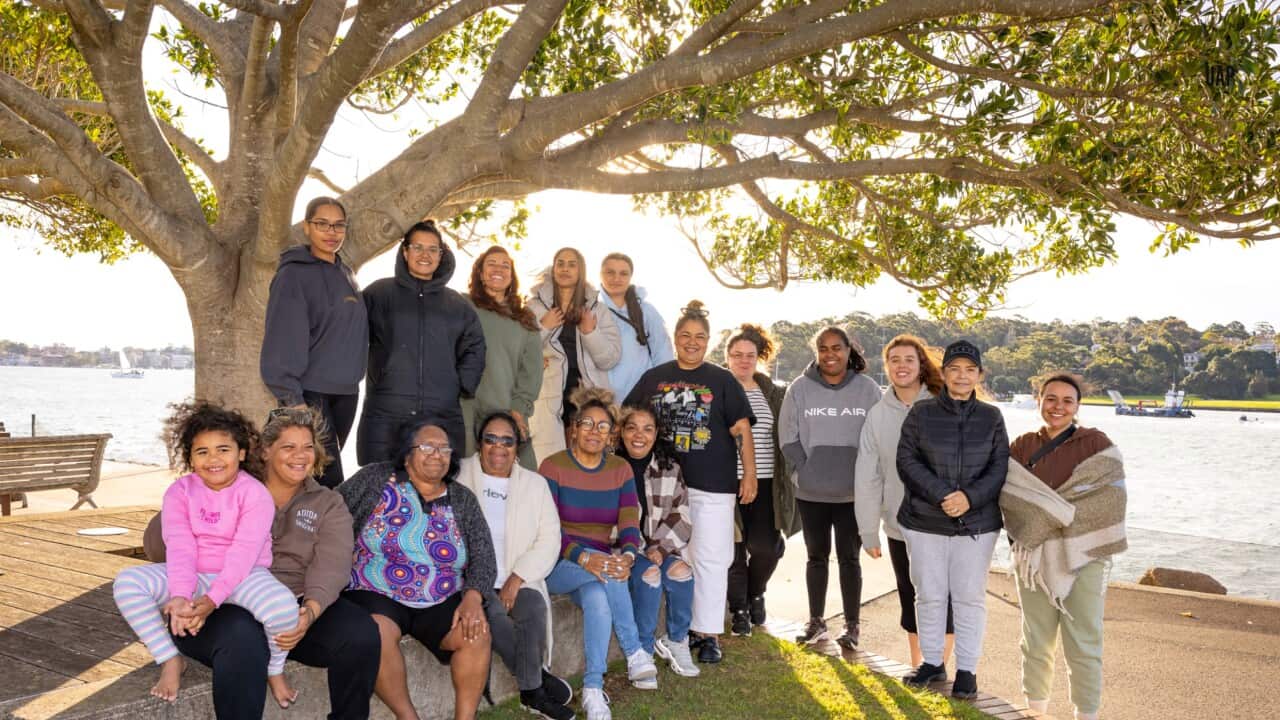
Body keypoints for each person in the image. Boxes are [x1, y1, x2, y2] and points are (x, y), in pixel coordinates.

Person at [142, 407, 381, 720]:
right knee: (244, 644)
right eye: (288, 447)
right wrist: (189, 505)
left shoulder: (326, 502)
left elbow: (333, 565)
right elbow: (162, 546)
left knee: (361, 633)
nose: (300, 456)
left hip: (292, 605)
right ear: (265, 450)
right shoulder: (227, 486)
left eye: (308, 447)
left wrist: (309, 613)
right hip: (220, 602)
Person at [113, 402, 300, 707]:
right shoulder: (179, 492)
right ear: (189, 458)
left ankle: (274, 669)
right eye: (202, 452)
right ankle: (170, 658)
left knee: (284, 609)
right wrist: (179, 596)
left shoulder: (255, 494)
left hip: (244, 575)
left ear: (241, 452)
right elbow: (180, 547)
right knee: (128, 582)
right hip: (194, 574)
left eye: (223, 449)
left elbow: (242, 554)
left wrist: (212, 600)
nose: (213, 459)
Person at [624, 300, 756, 664]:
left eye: (700, 337)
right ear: (676, 338)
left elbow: (741, 428)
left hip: (712, 484)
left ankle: (708, 633)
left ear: (709, 341)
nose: (692, 342)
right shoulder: (655, 377)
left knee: (712, 558)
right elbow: (627, 418)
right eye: (685, 335)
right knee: (676, 557)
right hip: (662, 486)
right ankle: (677, 632)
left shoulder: (723, 379)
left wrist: (749, 474)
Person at [338, 422, 495, 720]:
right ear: (406, 453)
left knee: (476, 633)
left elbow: (484, 556)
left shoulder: (462, 499)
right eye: (426, 447)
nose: (437, 454)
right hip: (376, 589)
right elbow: (331, 511)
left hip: (441, 595)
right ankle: (408, 716)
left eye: (444, 448)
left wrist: (473, 597)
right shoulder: (376, 479)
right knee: (376, 632)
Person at [1002, 374, 1128, 720]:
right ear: (1039, 400)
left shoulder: (1096, 443)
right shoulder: (1022, 446)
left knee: (1084, 640)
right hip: (1033, 556)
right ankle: (1035, 711)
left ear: (1077, 406)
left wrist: (1050, 515)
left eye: (1067, 401)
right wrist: (1048, 518)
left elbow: (1111, 499)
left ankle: (1085, 714)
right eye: (1051, 398)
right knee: (1035, 638)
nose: (1058, 407)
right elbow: (1010, 499)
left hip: (1085, 554)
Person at [897, 340, 1009, 700]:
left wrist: (969, 498)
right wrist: (943, 495)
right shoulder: (920, 413)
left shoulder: (992, 417)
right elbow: (907, 462)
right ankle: (932, 662)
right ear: (943, 374)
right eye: (955, 369)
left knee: (969, 598)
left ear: (979, 375)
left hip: (977, 524)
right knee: (928, 595)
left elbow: (999, 467)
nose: (962, 376)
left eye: (970, 370)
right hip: (925, 520)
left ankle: (967, 670)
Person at [540, 388, 656, 720]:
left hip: (598, 568)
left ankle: (593, 688)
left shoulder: (620, 469)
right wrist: (583, 557)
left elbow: (630, 523)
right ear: (573, 429)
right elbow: (547, 529)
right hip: (558, 562)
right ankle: (634, 651)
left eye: (603, 426)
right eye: (587, 424)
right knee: (605, 570)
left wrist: (629, 557)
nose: (594, 431)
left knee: (597, 596)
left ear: (611, 435)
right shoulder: (553, 467)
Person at [455, 412, 575, 720]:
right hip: (472, 579)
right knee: (492, 616)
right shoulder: (460, 476)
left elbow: (550, 538)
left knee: (533, 610)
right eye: (490, 439)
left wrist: (517, 577)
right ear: (479, 443)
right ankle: (535, 688)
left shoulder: (534, 485)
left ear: (517, 447)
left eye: (507, 441)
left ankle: (531, 685)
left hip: (519, 575)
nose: (498, 447)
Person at [854, 334, 954, 668]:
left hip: (944, 524)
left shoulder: (946, 404)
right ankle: (919, 666)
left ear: (921, 364)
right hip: (899, 525)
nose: (901, 366)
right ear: (886, 367)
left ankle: (937, 666)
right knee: (910, 596)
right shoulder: (877, 415)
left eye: (909, 359)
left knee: (944, 597)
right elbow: (868, 477)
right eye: (894, 359)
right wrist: (868, 532)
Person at [779, 326, 881, 649]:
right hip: (812, 492)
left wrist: (870, 482)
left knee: (850, 559)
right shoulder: (800, 388)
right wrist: (805, 471)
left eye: (836, 348)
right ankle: (816, 622)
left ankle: (851, 627)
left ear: (849, 350)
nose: (830, 354)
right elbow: (787, 437)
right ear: (817, 352)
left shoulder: (867, 390)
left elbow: (878, 440)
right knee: (816, 557)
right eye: (823, 349)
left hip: (853, 493)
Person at [260, 196, 368, 488]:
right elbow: (282, 336)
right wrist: (294, 400)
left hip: (346, 393)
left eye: (338, 225)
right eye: (322, 224)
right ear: (307, 227)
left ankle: (301, 531)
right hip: (311, 395)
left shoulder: (345, 273)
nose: (331, 232)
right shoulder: (293, 274)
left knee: (315, 478)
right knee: (329, 479)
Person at [358, 220, 486, 463]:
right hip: (386, 412)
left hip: (441, 412)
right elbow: (350, 335)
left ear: (441, 255)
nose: (425, 255)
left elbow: (475, 346)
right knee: (380, 488)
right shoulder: (378, 294)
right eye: (417, 247)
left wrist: (460, 384)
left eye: (433, 249)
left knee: (435, 489)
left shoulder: (457, 305)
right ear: (405, 252)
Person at [723, 324, 799, 636]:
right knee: (734, 550)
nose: (743, 360)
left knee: (765, 547)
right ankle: (740, 608)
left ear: (758, 358)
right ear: (727, 357)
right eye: (737, 355)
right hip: (727, 482)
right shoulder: (719, 389)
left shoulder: (773, 393)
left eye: (749, 355)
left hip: (767, 483)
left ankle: (756, 592)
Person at [616, 404, 700, 679]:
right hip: (624, 549)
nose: (639, 435)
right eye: (632, 428)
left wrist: (661, 548)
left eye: (647, 429)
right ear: (621, 433)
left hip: (658, 547)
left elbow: (682, 515)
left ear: (656, 434)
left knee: (682, 571)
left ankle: (676, 640)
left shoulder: (668, 468)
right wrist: (638, 550)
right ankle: (643, 652)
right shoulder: (610, 468)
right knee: (650, 575)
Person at [528, 247, 621, 463]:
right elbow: (520, 352)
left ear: (581, 270)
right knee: (549, 464)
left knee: (586, 464)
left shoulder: (597, 310)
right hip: (547, 396)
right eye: (560, 263)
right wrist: (543, 327)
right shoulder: (534, 307)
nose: (565, 269)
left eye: (572, 264)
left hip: (587, 396)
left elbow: (609, 359)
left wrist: (590, 332)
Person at [463, 246, 543, 469]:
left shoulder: (524, 318)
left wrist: (519, 409)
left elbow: (532, 371)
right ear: (480, 273)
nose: (498, 269)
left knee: (518, 480)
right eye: (491, 263)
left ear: (512, 276)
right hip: (466, 410)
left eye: (505, 265)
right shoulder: (463, 306)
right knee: (467, 477)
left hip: (507, 410)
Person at [598, 252, 673, 400]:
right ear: (600, 275)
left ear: (630, 277)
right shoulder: (591, 311)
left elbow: (663, 354)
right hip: (602, 400)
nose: (616, 279)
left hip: (640, 398)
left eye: (623, 273)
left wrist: (658, 393)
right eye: (610, 272)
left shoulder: (646, 311)